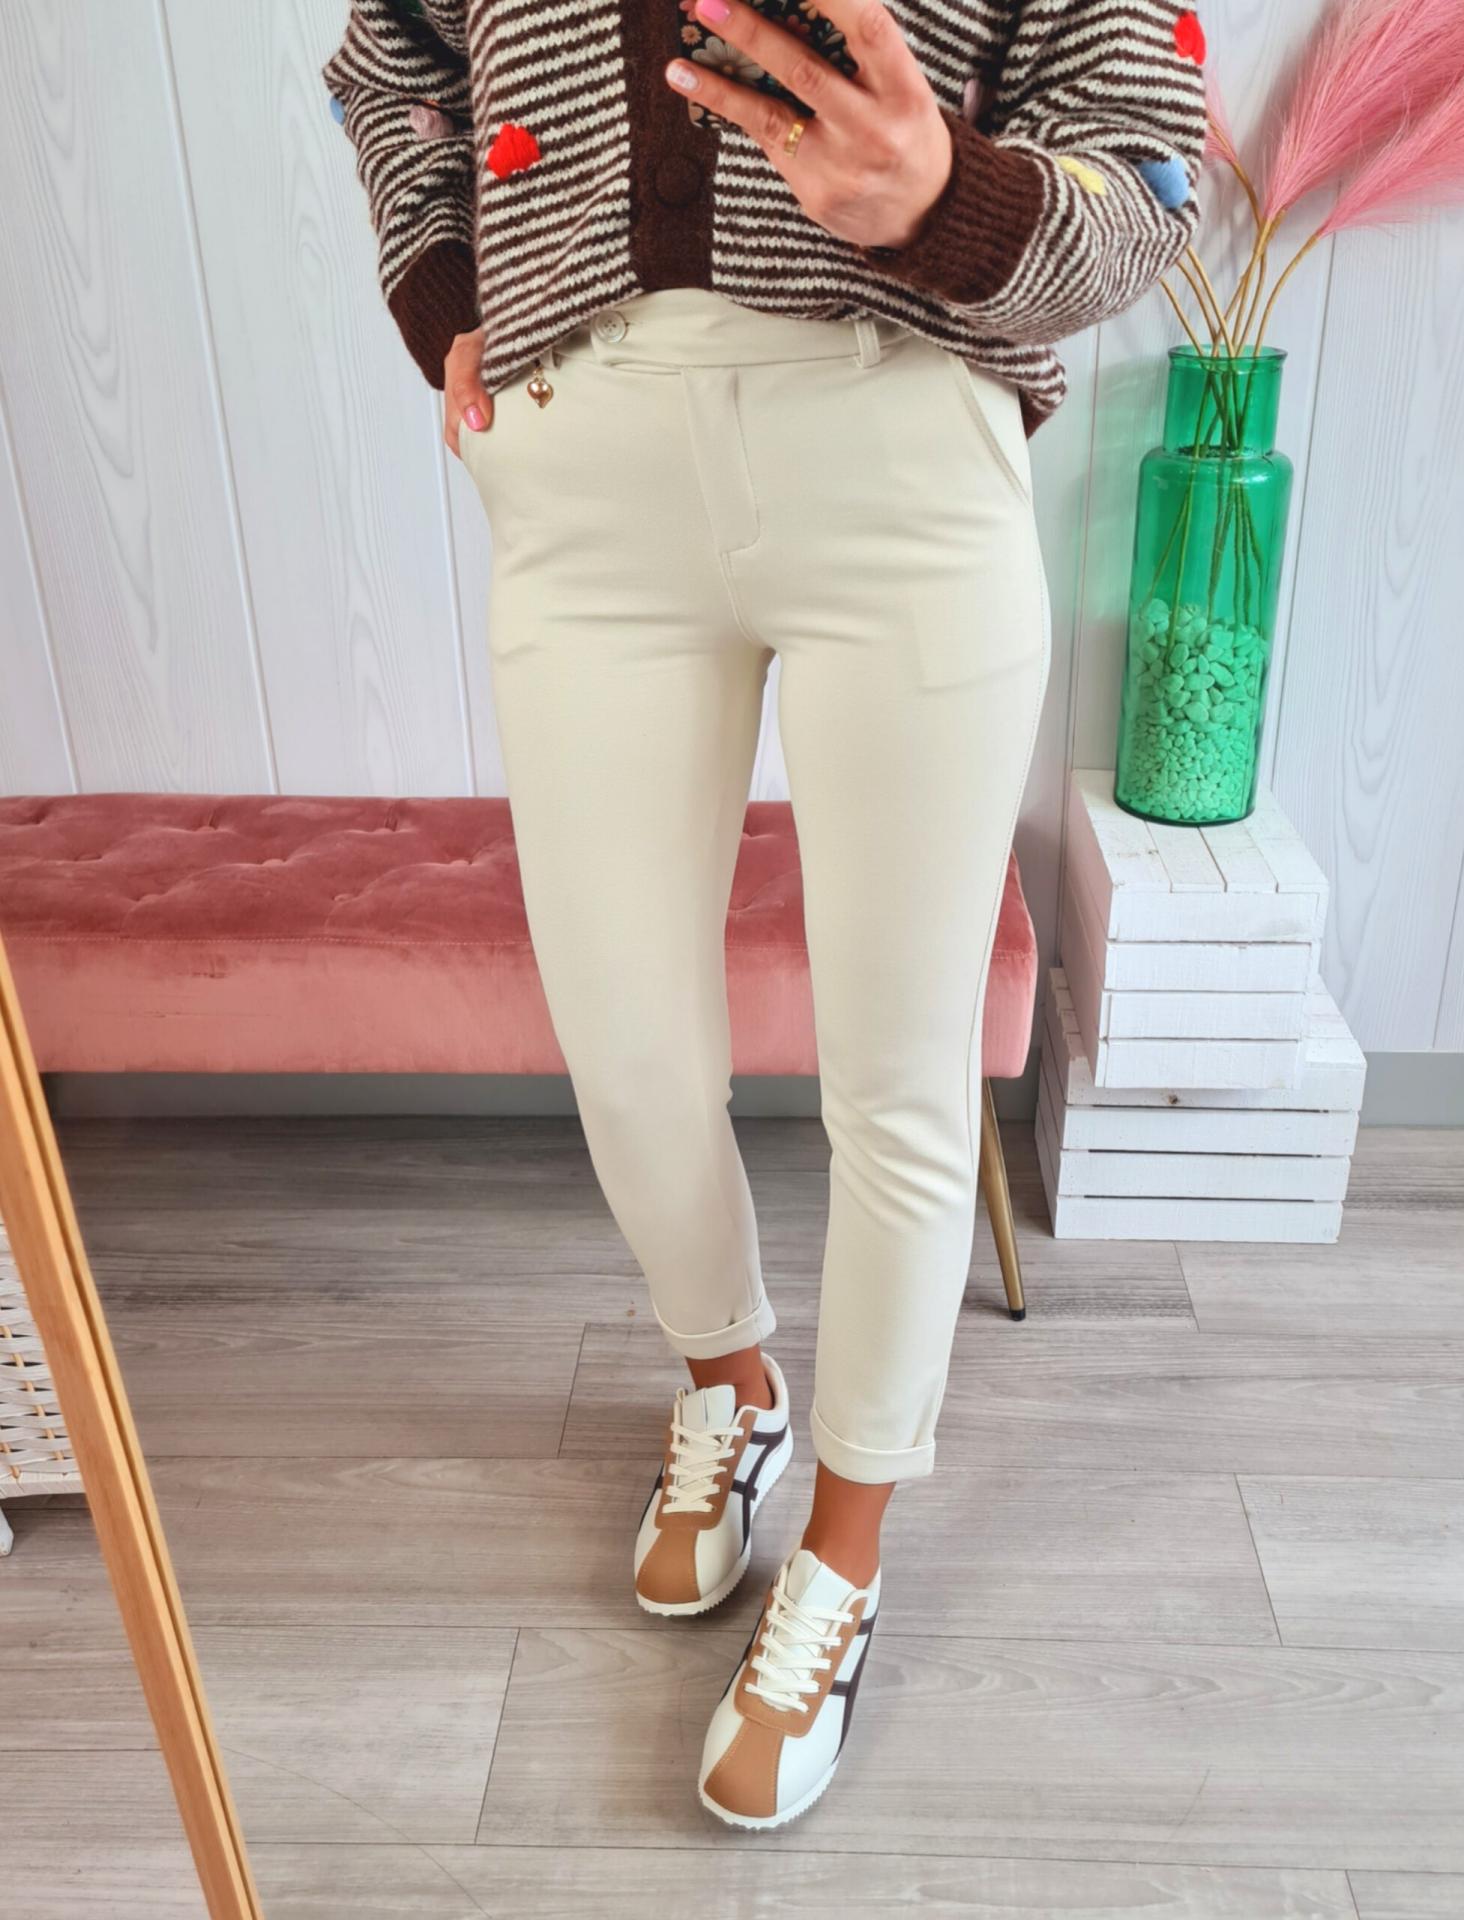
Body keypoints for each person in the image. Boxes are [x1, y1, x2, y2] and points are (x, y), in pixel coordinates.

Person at [323, 0, 1205, 1830]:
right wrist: (445, 292)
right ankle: (733, 1386)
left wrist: (953, 196)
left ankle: (845, 1556)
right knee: (628, 1052)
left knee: (899, 1073)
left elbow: (1147, 166)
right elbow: (392, 55)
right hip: (587, 463)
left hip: (900, 438)